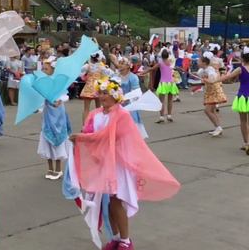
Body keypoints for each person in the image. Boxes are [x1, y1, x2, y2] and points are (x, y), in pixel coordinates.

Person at [69, 77, 181, 250]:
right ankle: (115, 238)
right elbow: (89, 132)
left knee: (116, 201)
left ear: (115, 96)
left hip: (118, 164)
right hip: (102, 163)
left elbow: (107, 136)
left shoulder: (122, 115)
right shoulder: (95, 114)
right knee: (108, 203)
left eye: (106, 93)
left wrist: (83, 138)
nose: (102, 96)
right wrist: (82, 140)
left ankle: (126, 240)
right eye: (101, 93)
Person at [37, 57, 72, 180]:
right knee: (47, 138)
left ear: (52, 69)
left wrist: (60, 100)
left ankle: (58, 168)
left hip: (58, 114)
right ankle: (50, 167)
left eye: (46, 68)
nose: (44, 70)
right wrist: (39, 108)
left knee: (58, 139)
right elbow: (41, 98)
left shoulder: (58, 81)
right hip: (48, 113)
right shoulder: (43, 82)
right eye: (43, 68)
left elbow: (65, 95)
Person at [218, 49, 249, 153]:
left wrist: (212, 80)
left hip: (243, 96)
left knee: (244, 121)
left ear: (243, 59)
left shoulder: (240, 69)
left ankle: (246, 143)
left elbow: (227, 77)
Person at [140, 50, 178, 123]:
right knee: (170, 100)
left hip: (163, 83)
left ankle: (161, 117)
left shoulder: (160, 63)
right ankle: (169, 115)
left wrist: (143, 72)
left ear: (161, 56)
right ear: (168, 56)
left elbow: (151, 69)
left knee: (161, 101)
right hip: (171, 83)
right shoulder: (171, 62)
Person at [118, 58, 149, 139]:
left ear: (128, 66)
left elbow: (137, 93)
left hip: (129, 106)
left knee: (130, 132)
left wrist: (125, 98)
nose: (120, 65)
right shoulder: (116, 76)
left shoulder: (133, 77)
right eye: (119, 63)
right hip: (117, 105)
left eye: (122, 63)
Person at [80, 52, 111, 123]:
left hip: (88, 87)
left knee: (86, 109)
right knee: (99, 108)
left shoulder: (87, 66)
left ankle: (85, 126)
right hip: (98, 88)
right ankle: (98, 124)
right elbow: (107, 74)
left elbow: (80, 73)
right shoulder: (102, 66)